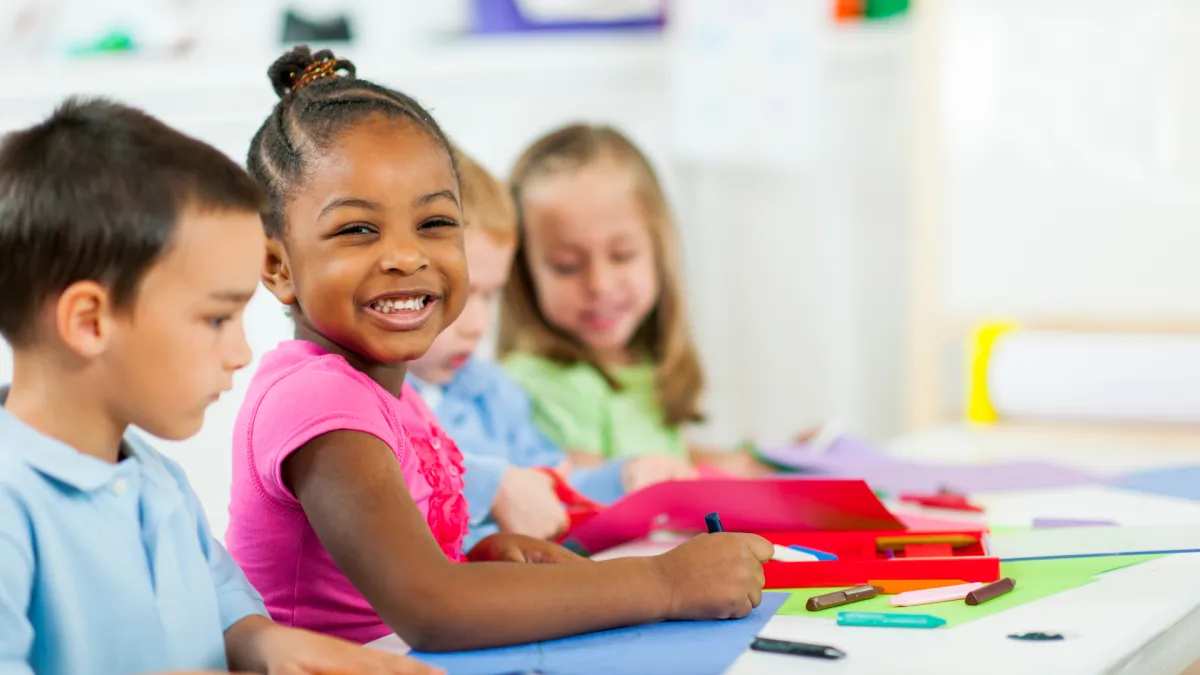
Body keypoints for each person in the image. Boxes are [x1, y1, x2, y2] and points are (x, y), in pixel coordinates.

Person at [226, 45, 773, 653]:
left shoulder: (388, 393)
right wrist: (665, 582)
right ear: (276, 264)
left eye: (435, 223)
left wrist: (478, 560)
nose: (408, 256)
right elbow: (431, 608)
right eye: (358, 229)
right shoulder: (316, 399)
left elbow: (415, 582)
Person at [0, 98, 438, 674]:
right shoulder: (12, 508)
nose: (241, 353)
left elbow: (226, 608)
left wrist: (270, 646)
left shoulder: (151, 476)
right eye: (216, 319)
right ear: (89, 322)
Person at [500, 124, 777, 479]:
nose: (599, 284)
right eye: (567, 266)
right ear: (525, 272)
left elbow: (663, 455)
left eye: (622, 255)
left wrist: (750, 460)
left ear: (658, 252)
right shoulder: (538, 381)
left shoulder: (641, 362)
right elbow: (584, 491)